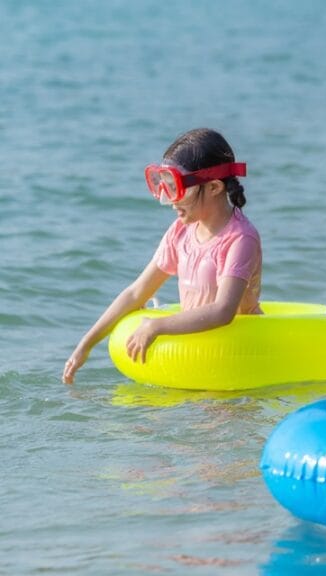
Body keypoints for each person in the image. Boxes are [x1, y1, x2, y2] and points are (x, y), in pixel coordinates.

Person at [63, 128, 262, 384]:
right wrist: (86, 345)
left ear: (213, 187)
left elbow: (223, 311)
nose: (169, 200)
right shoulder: (181, 231)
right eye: (164, 187)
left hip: (236, 356)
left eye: (177, 188)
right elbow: (137, 293)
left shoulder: (240, 238)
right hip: (197, 357)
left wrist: (156, 325)